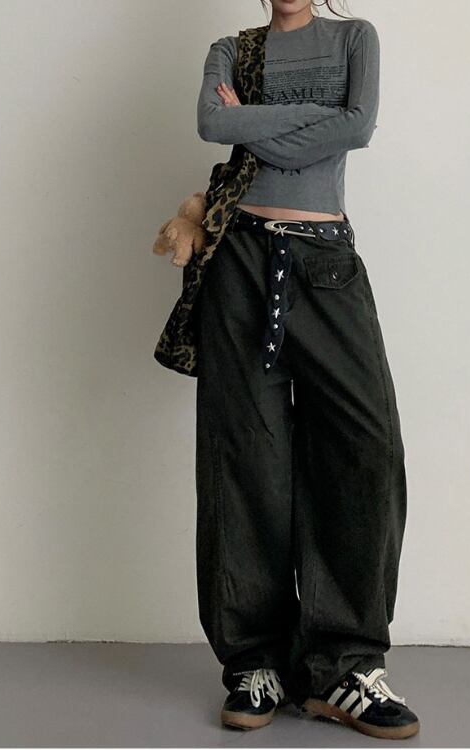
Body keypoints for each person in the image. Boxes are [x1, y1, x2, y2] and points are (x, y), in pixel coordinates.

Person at [189, 0, 420, 740]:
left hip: (325, 263)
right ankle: (255, 662)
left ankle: (343, 668)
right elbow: (212, 124)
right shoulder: (231, 49)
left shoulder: (355, 38)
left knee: (366, 449)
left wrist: (254, 121)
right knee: (245, 458)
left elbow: (358, 126)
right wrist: (311, 120)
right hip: (239, 261)